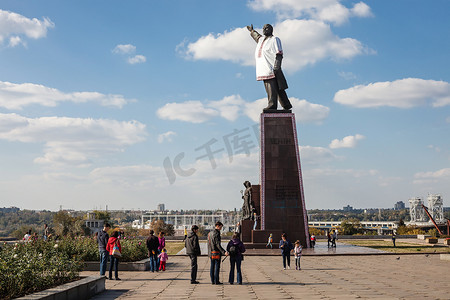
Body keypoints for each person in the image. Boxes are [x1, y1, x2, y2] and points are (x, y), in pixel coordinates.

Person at [247, 24, 292, 112]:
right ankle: (286, 105)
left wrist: (277, 66)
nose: (264, 29)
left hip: (271, 67)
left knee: (272, 87)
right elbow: (257, 36)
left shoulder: (274, 39)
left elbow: (279, 53)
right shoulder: (261, 40)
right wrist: (252, 31)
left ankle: (272, 105)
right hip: (263, 68)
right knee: (278, 88)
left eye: (267, 28)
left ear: (271, 29)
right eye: (263, 28)